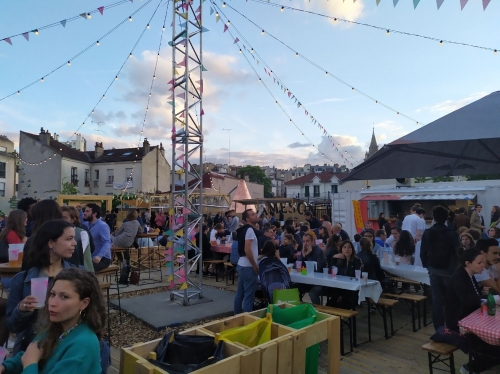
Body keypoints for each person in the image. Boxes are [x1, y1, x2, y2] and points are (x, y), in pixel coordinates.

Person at [1, 268, 105, 374]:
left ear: (84, 303)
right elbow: (30, 354)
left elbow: (30, 359)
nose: (52, 303)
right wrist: (5, 367)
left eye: (64, 297)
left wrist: (30, 363)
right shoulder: (54, 327)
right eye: (52, 294)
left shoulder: (84, 344)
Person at [6, 220, 83, 354]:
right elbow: (12, 326)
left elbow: (93, 315)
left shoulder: (80, 276)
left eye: (74, 239)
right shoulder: (22, 280)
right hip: (30, 349)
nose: (74, 243)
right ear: (51, 243)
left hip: (68, 348)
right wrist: (22, 309)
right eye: (69, 239)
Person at [445, 250, 500, 374]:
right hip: (459, 323)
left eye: (482, 262)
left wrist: (484, 295)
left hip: (471, 317)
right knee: (495, 352)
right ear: (468, 263)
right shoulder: (459, 277)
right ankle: (470, 368)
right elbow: (468, 300)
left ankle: (479, 361)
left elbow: (473, 297)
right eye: (479, 262)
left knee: (495, 346)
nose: (483, 265)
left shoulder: (468, 275)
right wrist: (492, 298)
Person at [420, 205, 461, 331]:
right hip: (449, 271)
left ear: (434, 217)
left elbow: (422, 253)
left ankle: (439, 328)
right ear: (447, 218)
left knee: (437, 301)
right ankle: (451, 326)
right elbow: (458, 252)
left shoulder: (428, 232)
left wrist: (428, 266)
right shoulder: (452, 233)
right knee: (451, 300)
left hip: (434, 270)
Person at [22, 200, 64, 271]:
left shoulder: (35, 239)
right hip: (69, 279)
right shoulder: (70, 236)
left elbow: (27, 269)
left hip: (39, 280)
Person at [234, 209, 260, 314]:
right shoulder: (249, 230)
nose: (255, 215)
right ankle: (247, 320)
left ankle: (236, 316)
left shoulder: (243, 230)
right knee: (249, 296)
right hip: (248, 266)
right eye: (252, 214)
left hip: (242, 264)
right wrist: (255, 265)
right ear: (247, 219)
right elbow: (247, 249)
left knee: (239, 294)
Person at [327, 240, 362, 309]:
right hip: (339, 288)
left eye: (349, 247)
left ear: (352, 249)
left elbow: (357, 276)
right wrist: (334, 258)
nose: (347, 249)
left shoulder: (357, 261)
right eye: (344, 247)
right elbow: (330, 273)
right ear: (341, 249)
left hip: (351, 291)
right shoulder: (339, 260)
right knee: (331, 304)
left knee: (341, 305)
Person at [60, 206, 94, 272]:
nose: (61, 220)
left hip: (81, 271)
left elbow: (77, 252)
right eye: (60, 217)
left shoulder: (82, 233)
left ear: (73, 219)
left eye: (64, 218)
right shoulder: (58, 232)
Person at [296, 231, 326, 305]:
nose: (305, 243)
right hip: (305, 281)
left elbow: (316, 269)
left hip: (318, 282)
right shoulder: (303, 250)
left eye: (308, 241)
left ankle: (318, 311)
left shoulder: (319, 252)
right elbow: (296, 266)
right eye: (304, 241)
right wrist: (303, 256)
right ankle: (298, 308)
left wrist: (308, 255)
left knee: (312, 293)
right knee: (293, 288)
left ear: (313, 241)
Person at [81, 203, 111, 273]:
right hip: (90, 257)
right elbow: (80, 220)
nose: (84, 213)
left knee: (84, 272)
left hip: (103, 259)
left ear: (94, 214)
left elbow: (107, 242)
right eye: (84, 211)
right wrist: (79, 211)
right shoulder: (87, 224)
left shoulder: (102, 226)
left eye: (87, 211)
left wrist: (99, 256)